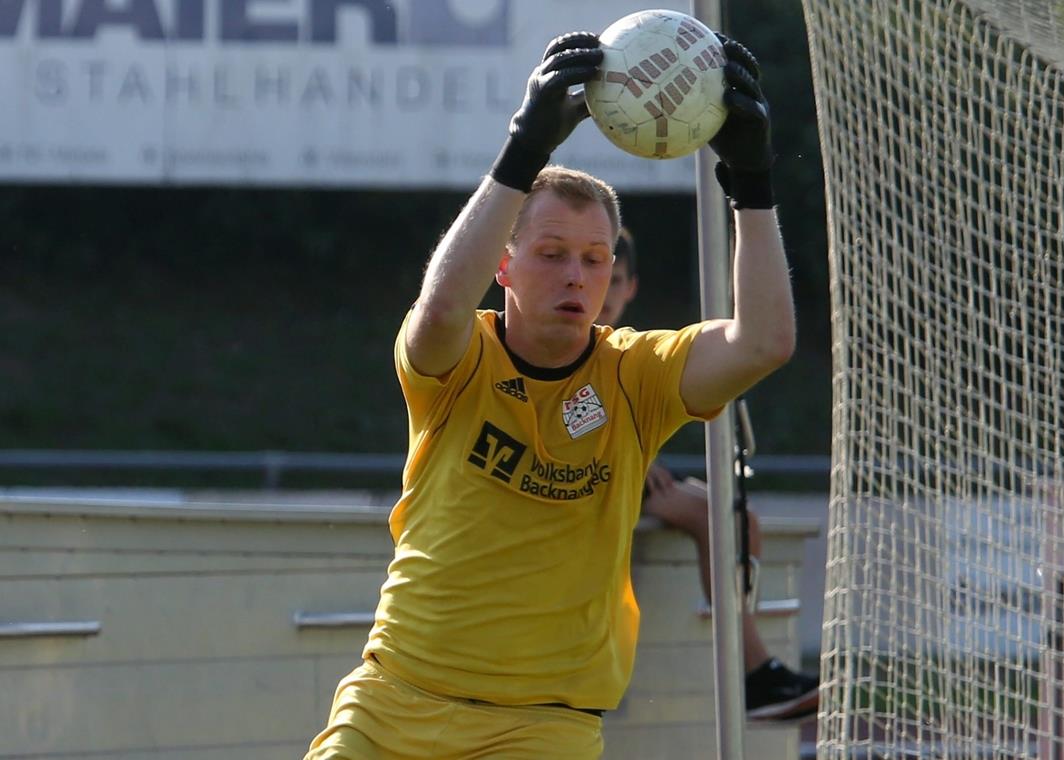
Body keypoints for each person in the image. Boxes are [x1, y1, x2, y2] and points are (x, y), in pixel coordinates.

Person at [307, 29, 796, 759]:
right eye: (552, 254)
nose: (577, 276)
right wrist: (520, 153)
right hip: (393, 703)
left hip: (543, 727)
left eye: (596, 260)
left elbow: (763, 343)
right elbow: (438, 309)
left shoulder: (636, 375)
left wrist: (752, 191)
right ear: (504, 267)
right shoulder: (459, 356)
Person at [600, 227, 820, 721]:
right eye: (600, 276)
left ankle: (744, 651)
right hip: (586, 478)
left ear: (632, 287)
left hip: (623, 471)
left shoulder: (629, 346)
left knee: (735, 514)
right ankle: (754, 673)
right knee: (711, 514)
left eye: (616, 281)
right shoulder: (572, 338)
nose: (606, 293)